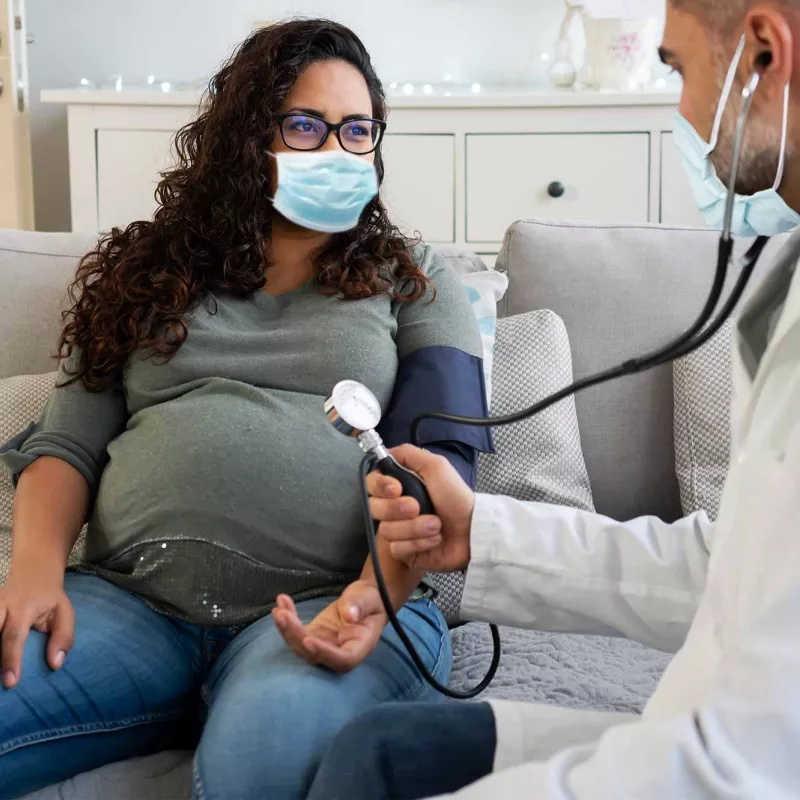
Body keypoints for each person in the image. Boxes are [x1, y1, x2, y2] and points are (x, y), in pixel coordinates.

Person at [306, 2, 800, 798]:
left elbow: (742, 767)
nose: (680, 107)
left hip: (745, 763)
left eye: (675, 66)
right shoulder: (785, 282)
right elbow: (729, 566)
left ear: (764, 55)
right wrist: (485, 533)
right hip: (715, 726)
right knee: (381, 754)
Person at [0, 19, 491, 800]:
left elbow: (440, 470)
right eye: (303, 125)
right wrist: (31, 574)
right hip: (132, 605)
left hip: (336, 598)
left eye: (356, 129)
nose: (335, 149)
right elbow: (66, 446)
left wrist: (373, 595)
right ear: (244, 138)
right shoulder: (147, 271)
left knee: (263, 763)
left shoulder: (416, 279)